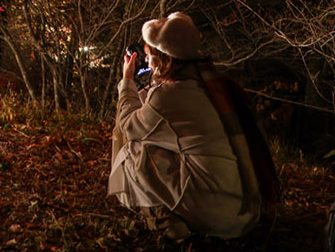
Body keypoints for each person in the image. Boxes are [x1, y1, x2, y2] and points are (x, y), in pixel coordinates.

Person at [108, 12, 276, 241]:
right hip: (241, 206)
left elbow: (128, 126)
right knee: (158, 145)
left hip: (215, 214)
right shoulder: (209, 82)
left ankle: (162, 217)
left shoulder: (169, 95)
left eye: (149, 55)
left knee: (135, 152)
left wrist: (126, 81)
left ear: (164, 58)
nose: (146, 61)